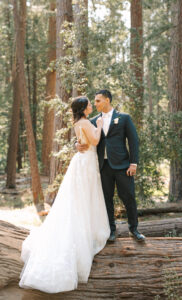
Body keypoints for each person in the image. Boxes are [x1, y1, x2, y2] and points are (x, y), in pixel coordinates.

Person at [19, 96, 110, 294]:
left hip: (82, 160)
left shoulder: (79, 122)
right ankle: (85, 233)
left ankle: (85, 227)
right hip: (86, 162)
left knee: (78, 199)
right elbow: (94, 140)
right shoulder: (86, 122)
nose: (90, 107)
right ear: (83, 108)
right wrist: (100, 125)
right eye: (88, 105)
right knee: (85, 198)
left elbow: (83, 139)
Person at [77, 90, 145, 242]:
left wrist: (133, 163)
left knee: (128, 197)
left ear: (107, 100)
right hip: (103, 167)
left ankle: (134, 229)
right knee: (106, 199)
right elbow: (82, 134)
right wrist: (76, 144)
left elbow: (133, 141)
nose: (95, 104)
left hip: (123, 166)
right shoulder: (93, 120)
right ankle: (111, 231)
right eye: (94, 101)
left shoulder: (124, 118)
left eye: (98, 101)